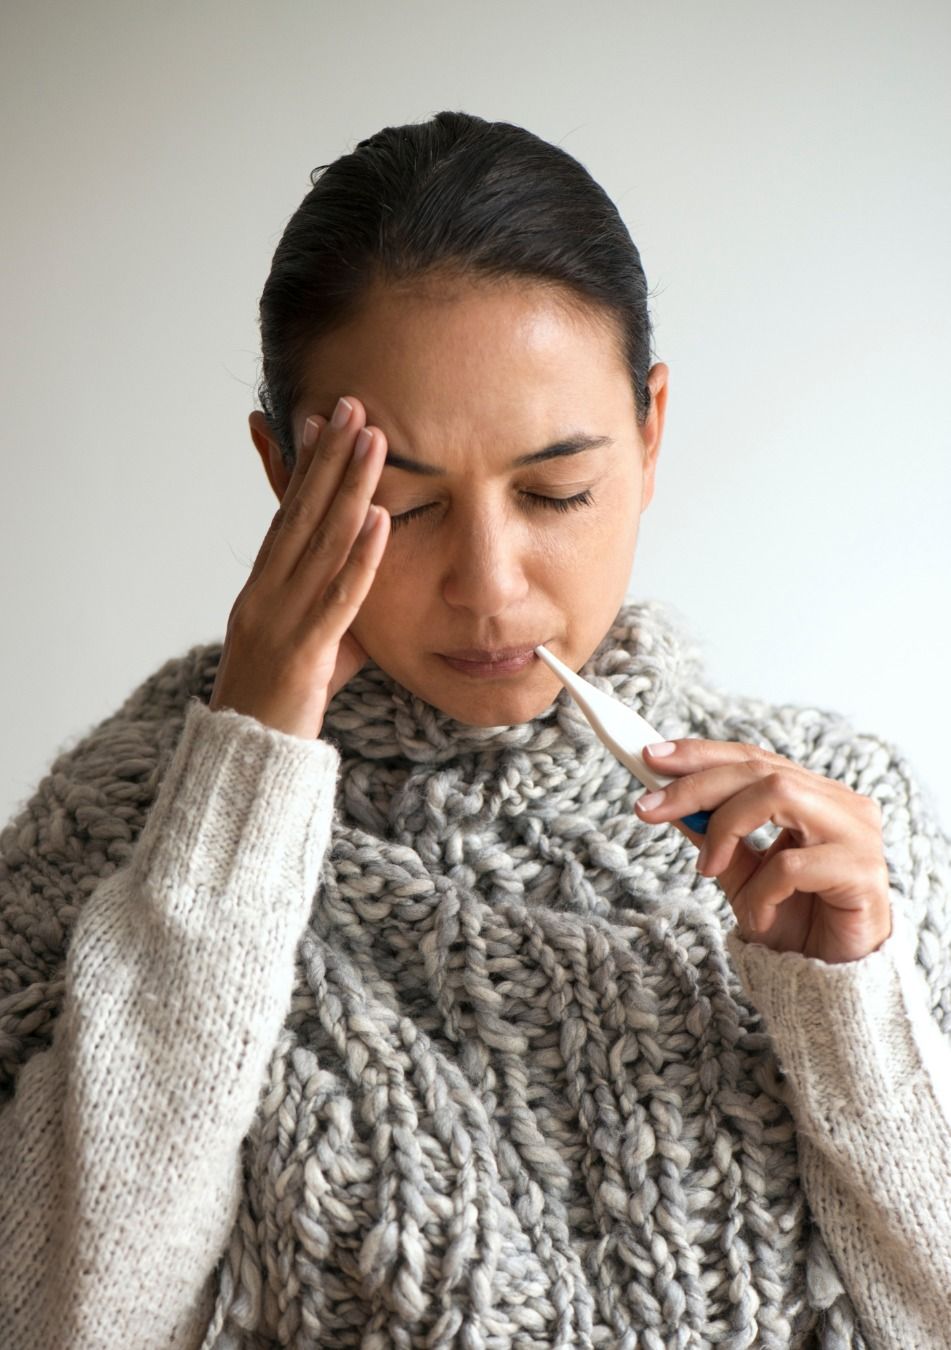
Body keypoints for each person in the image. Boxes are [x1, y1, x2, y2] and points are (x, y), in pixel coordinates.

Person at [1, 110, 949, 1350]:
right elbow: (65, 1320)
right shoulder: (121, 837)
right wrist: (235, 798)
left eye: (557, 490)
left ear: (652, 434)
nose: (492, 586)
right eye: (406, 503)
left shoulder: (838, 830)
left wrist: (850, 1016)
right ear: (289, 478)